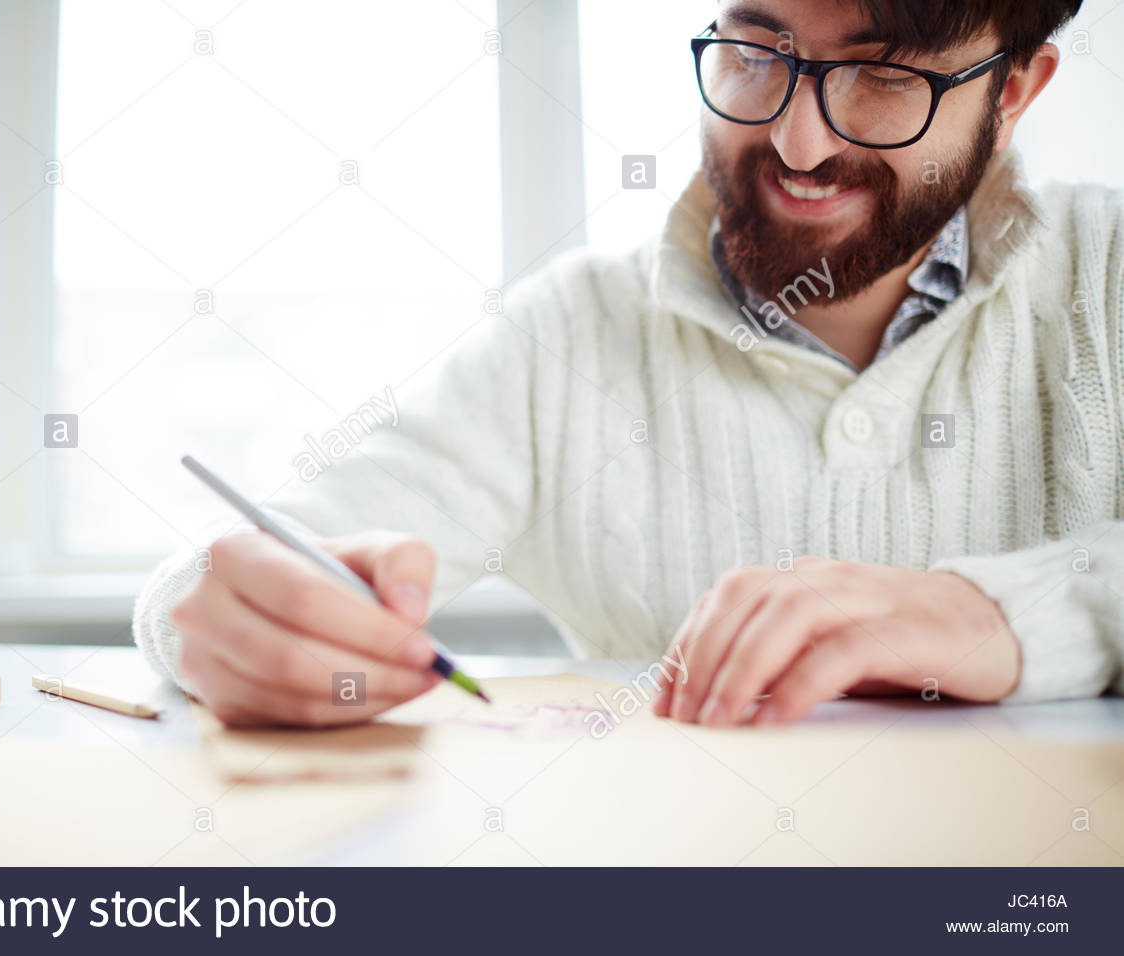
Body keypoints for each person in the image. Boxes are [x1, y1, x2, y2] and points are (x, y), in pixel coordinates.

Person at [134, 0, 1123, 728]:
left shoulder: (1108, 276)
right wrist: (218, 614)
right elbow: (241, 562)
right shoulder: (568, 332)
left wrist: (996, 612)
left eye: (886, 76)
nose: (797, 140)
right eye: (754, 51)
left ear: (1015, 92)